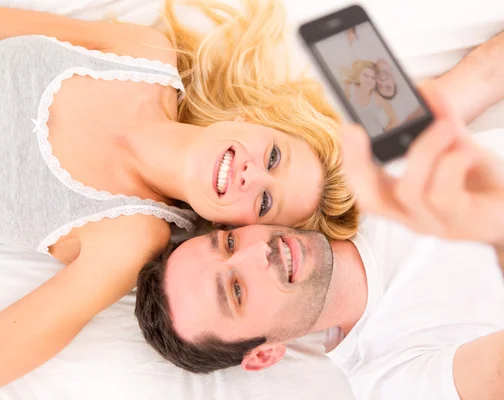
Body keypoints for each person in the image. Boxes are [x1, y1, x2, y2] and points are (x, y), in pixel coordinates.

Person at [135, 1, 504, 398]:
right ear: (263, 355)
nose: (260, 252)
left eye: (230, 244)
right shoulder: (391, 378)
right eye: (236, 291)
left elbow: (483, 76)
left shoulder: (340, 165)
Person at [0, 0, 359, 386]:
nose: (251, 175)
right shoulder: (143, 51)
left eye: (265, 202)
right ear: (250, 121)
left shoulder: (131, 237)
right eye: (274, 156)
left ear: (231, 226)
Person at [343, 60, 400, 134]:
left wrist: (384, 134)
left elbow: (395, 119)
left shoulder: (377, 98)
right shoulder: (349, 89)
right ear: (359, 76)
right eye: (365, 75)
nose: (369, 80)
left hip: (374, 135)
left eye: (373, 78)